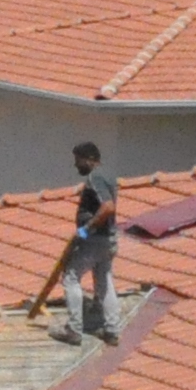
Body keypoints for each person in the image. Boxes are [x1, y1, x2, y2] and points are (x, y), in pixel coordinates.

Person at [57, 140, 122, 346]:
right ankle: (112, 330)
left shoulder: (96, 177)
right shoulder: (109, 176)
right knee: (104, 281)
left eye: (78, 160)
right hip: (108, 240)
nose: (76, 165)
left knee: (71, 277)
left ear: (90, 159)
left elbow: (108, 207)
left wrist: (87, 229)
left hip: (95, 240)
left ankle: (74, 329)